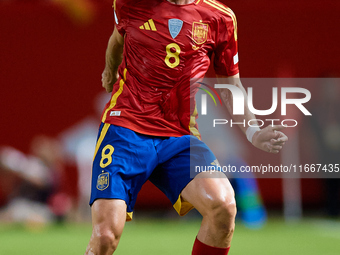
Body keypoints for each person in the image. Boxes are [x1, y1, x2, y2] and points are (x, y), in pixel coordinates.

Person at [85, 0, 288, 254]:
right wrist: (109, 70)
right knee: (105, 237)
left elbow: (230, 84)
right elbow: (117, 40)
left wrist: (253, 131)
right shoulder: (130, 3)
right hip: (126, 129)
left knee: (224, 207)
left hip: (179, 137)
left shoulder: (220, 18)